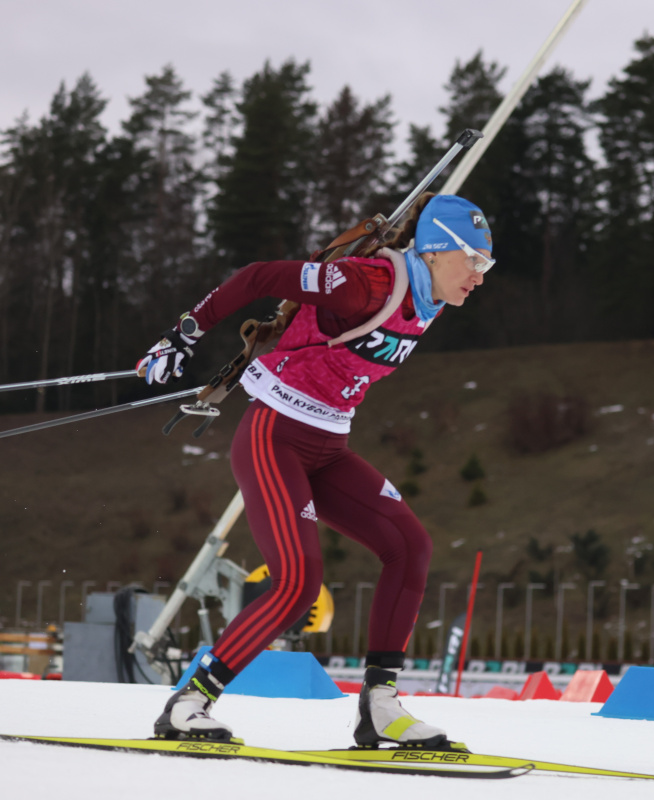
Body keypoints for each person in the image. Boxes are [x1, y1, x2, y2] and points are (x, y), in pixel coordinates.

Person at [137, 194, 493, 749]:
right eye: (474, 260)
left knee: (410, 546)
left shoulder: (432, 299)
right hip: (273, 437)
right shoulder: (366, 283)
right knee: (299, 582)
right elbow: (258, 277)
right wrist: (183, 332)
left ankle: (380, 708)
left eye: (486, 265)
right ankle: (188, 704)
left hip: (329, 446)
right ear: (437, 249)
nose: (479, 275)